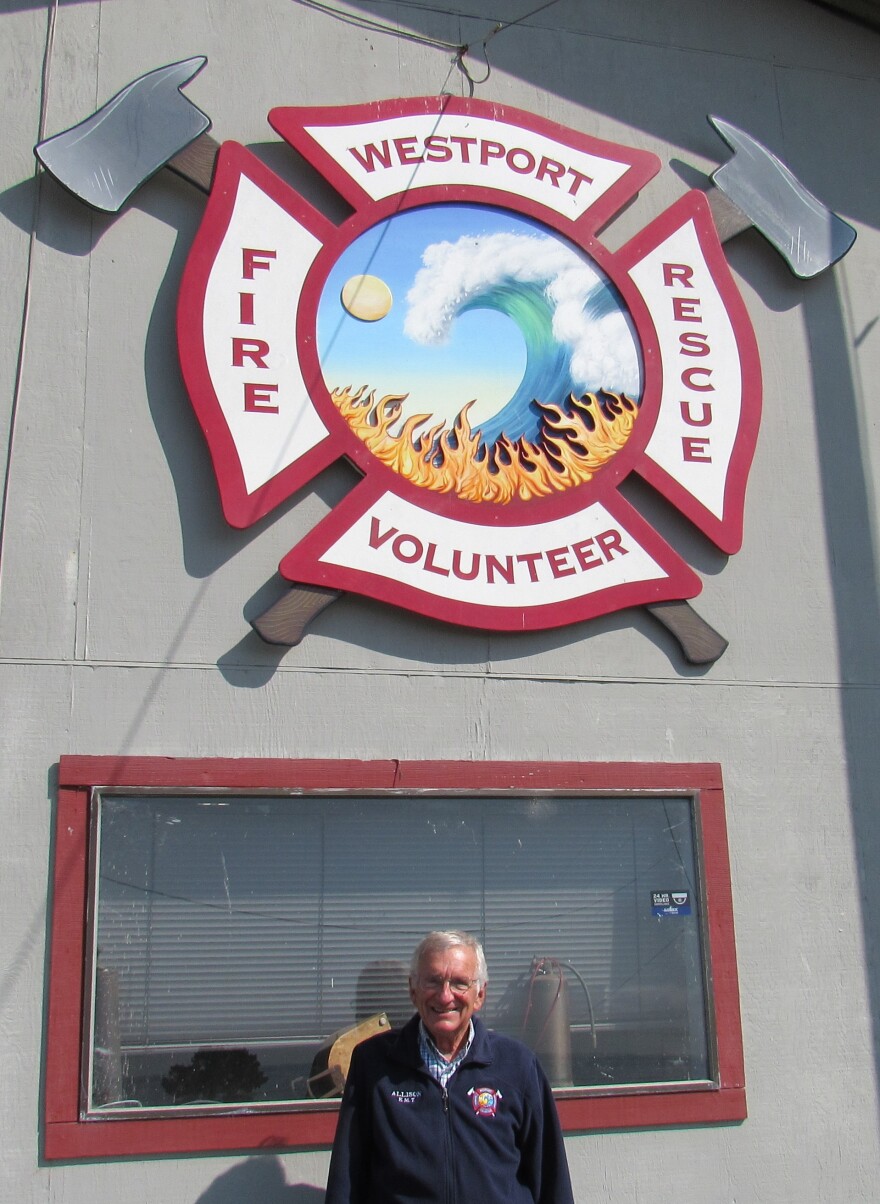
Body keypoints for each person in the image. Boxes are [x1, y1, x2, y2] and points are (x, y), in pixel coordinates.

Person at [325, 929, 574, 1204]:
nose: (445, 996)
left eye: (459, 983)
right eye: (433, 981)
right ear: (412, 989)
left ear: (480, 994)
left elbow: (552, 1181)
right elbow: (346, 1181)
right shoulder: (372, 1064)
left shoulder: (518, 1066)